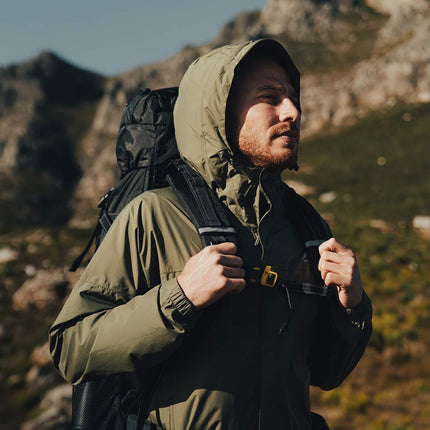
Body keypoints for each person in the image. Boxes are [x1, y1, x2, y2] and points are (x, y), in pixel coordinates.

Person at [49, 39, 372, 430]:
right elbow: (71, 349)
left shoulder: (306, 227)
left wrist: (352, 307)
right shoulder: (153, 215)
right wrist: (179, 297)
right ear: (219, 112)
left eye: (293, 99)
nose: (293, 111)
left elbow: (327, 373)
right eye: (270, 97)